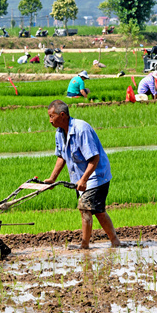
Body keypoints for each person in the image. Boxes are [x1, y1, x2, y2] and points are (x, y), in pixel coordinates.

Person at [43, 100, 122, 249]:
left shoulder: (81, 129)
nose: (50, 120)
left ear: (62, 115)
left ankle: (84, 246)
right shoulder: (59, 132)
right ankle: (115, 241)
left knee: (84, 207)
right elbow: (62, 156)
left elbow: (94, 158)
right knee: (98, 212)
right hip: (81, 177)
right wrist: (52, 178)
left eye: (52, 116)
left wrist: (84, 180)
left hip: (97, 175)